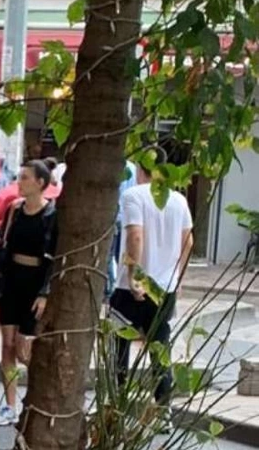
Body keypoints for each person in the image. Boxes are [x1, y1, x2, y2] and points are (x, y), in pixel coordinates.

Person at [112, 150, 193, 405]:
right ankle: (163, 406)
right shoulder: (178, 199)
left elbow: (135, 236)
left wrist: (134, 275)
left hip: (131, 287)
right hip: (166, 286)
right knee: (160, 346)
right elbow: (188, 241)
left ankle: (118, 399)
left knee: (119, 345)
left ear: (141, 169)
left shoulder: (133, 195)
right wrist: (178, 278)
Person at [0, 159, 58, 427]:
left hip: (34, 282)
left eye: (25, 178)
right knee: (7, 344)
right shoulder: (14, 210)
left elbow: (54, 257)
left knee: (25, 349)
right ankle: (9, 405)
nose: (19, 182)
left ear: (40, 183)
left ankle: (35, 399)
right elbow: (4, 248)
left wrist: (45, 293)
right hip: (12, 281)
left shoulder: (51, 215)